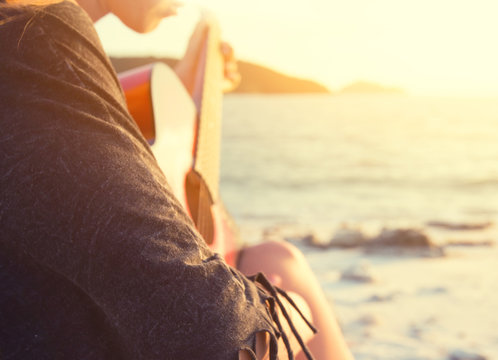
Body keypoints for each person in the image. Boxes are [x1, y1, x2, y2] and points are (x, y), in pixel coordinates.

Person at [0, 0, 353, 359]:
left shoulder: (29, 54)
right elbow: (215, 335)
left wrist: (192, 78)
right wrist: (300, 312)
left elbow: (83, 167)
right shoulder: (37, 44)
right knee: (283, 270)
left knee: (273, 257)